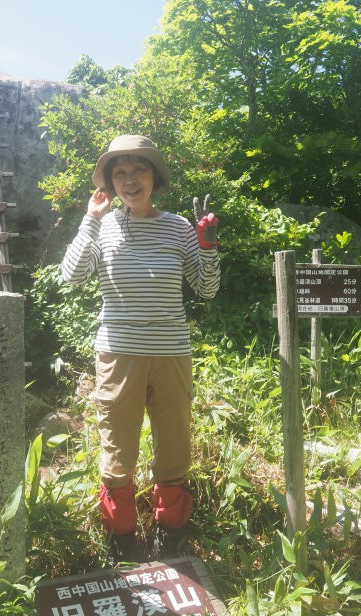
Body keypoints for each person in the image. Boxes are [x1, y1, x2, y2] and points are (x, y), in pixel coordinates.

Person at [61, 134, 220, 563]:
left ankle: (172, 531)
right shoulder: (104, 226)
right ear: (110, 184)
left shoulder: (178, 227)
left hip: (171, 352)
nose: (130, 180)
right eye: (121, 173)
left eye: (139, 170)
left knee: (174, 441)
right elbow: (72, 275)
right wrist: (91, 219)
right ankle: (123, 537)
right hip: (117, 352)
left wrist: (207, 246)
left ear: (155, 177)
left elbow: (206, 289)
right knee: (117, 445)